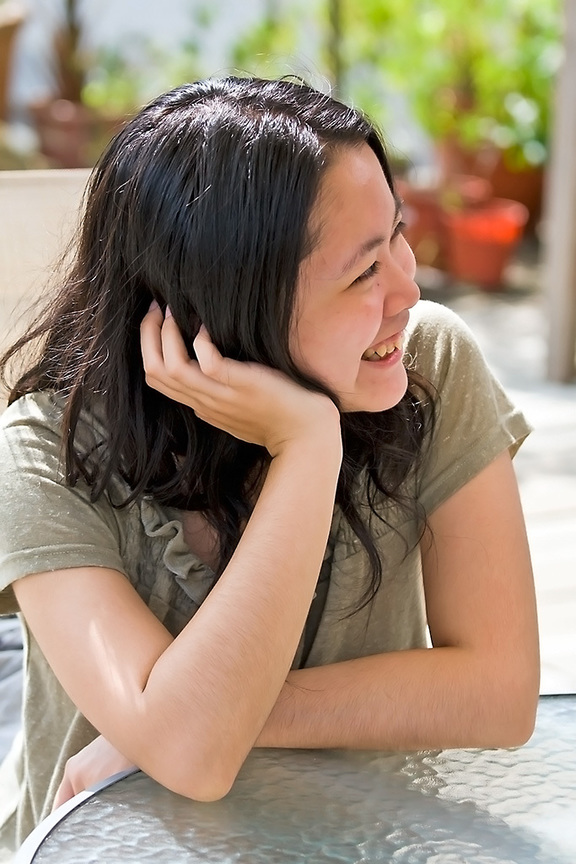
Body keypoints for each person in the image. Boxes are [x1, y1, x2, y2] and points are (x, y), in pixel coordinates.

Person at [0, 76, 539, 856]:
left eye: (397, 234)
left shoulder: (429, 364)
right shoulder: (44, 449)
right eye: (362, 273)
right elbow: (194, 756)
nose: (406, 288)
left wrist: (219, 714)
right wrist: (307, 447)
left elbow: (499, 692)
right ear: (226, 307)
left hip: (361, 842)